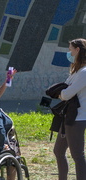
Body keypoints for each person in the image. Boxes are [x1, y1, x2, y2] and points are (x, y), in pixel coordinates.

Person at [53, 38, 86, 180]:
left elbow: (66, 94)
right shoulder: (77, 71)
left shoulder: (84, 72)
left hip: (77, 119)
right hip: (68, 117)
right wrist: (61, 93)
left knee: (77, 155)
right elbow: (65, 89)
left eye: (71, 49)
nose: (69, 52)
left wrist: (60, 93)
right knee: (58, 151)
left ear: (77, 50)